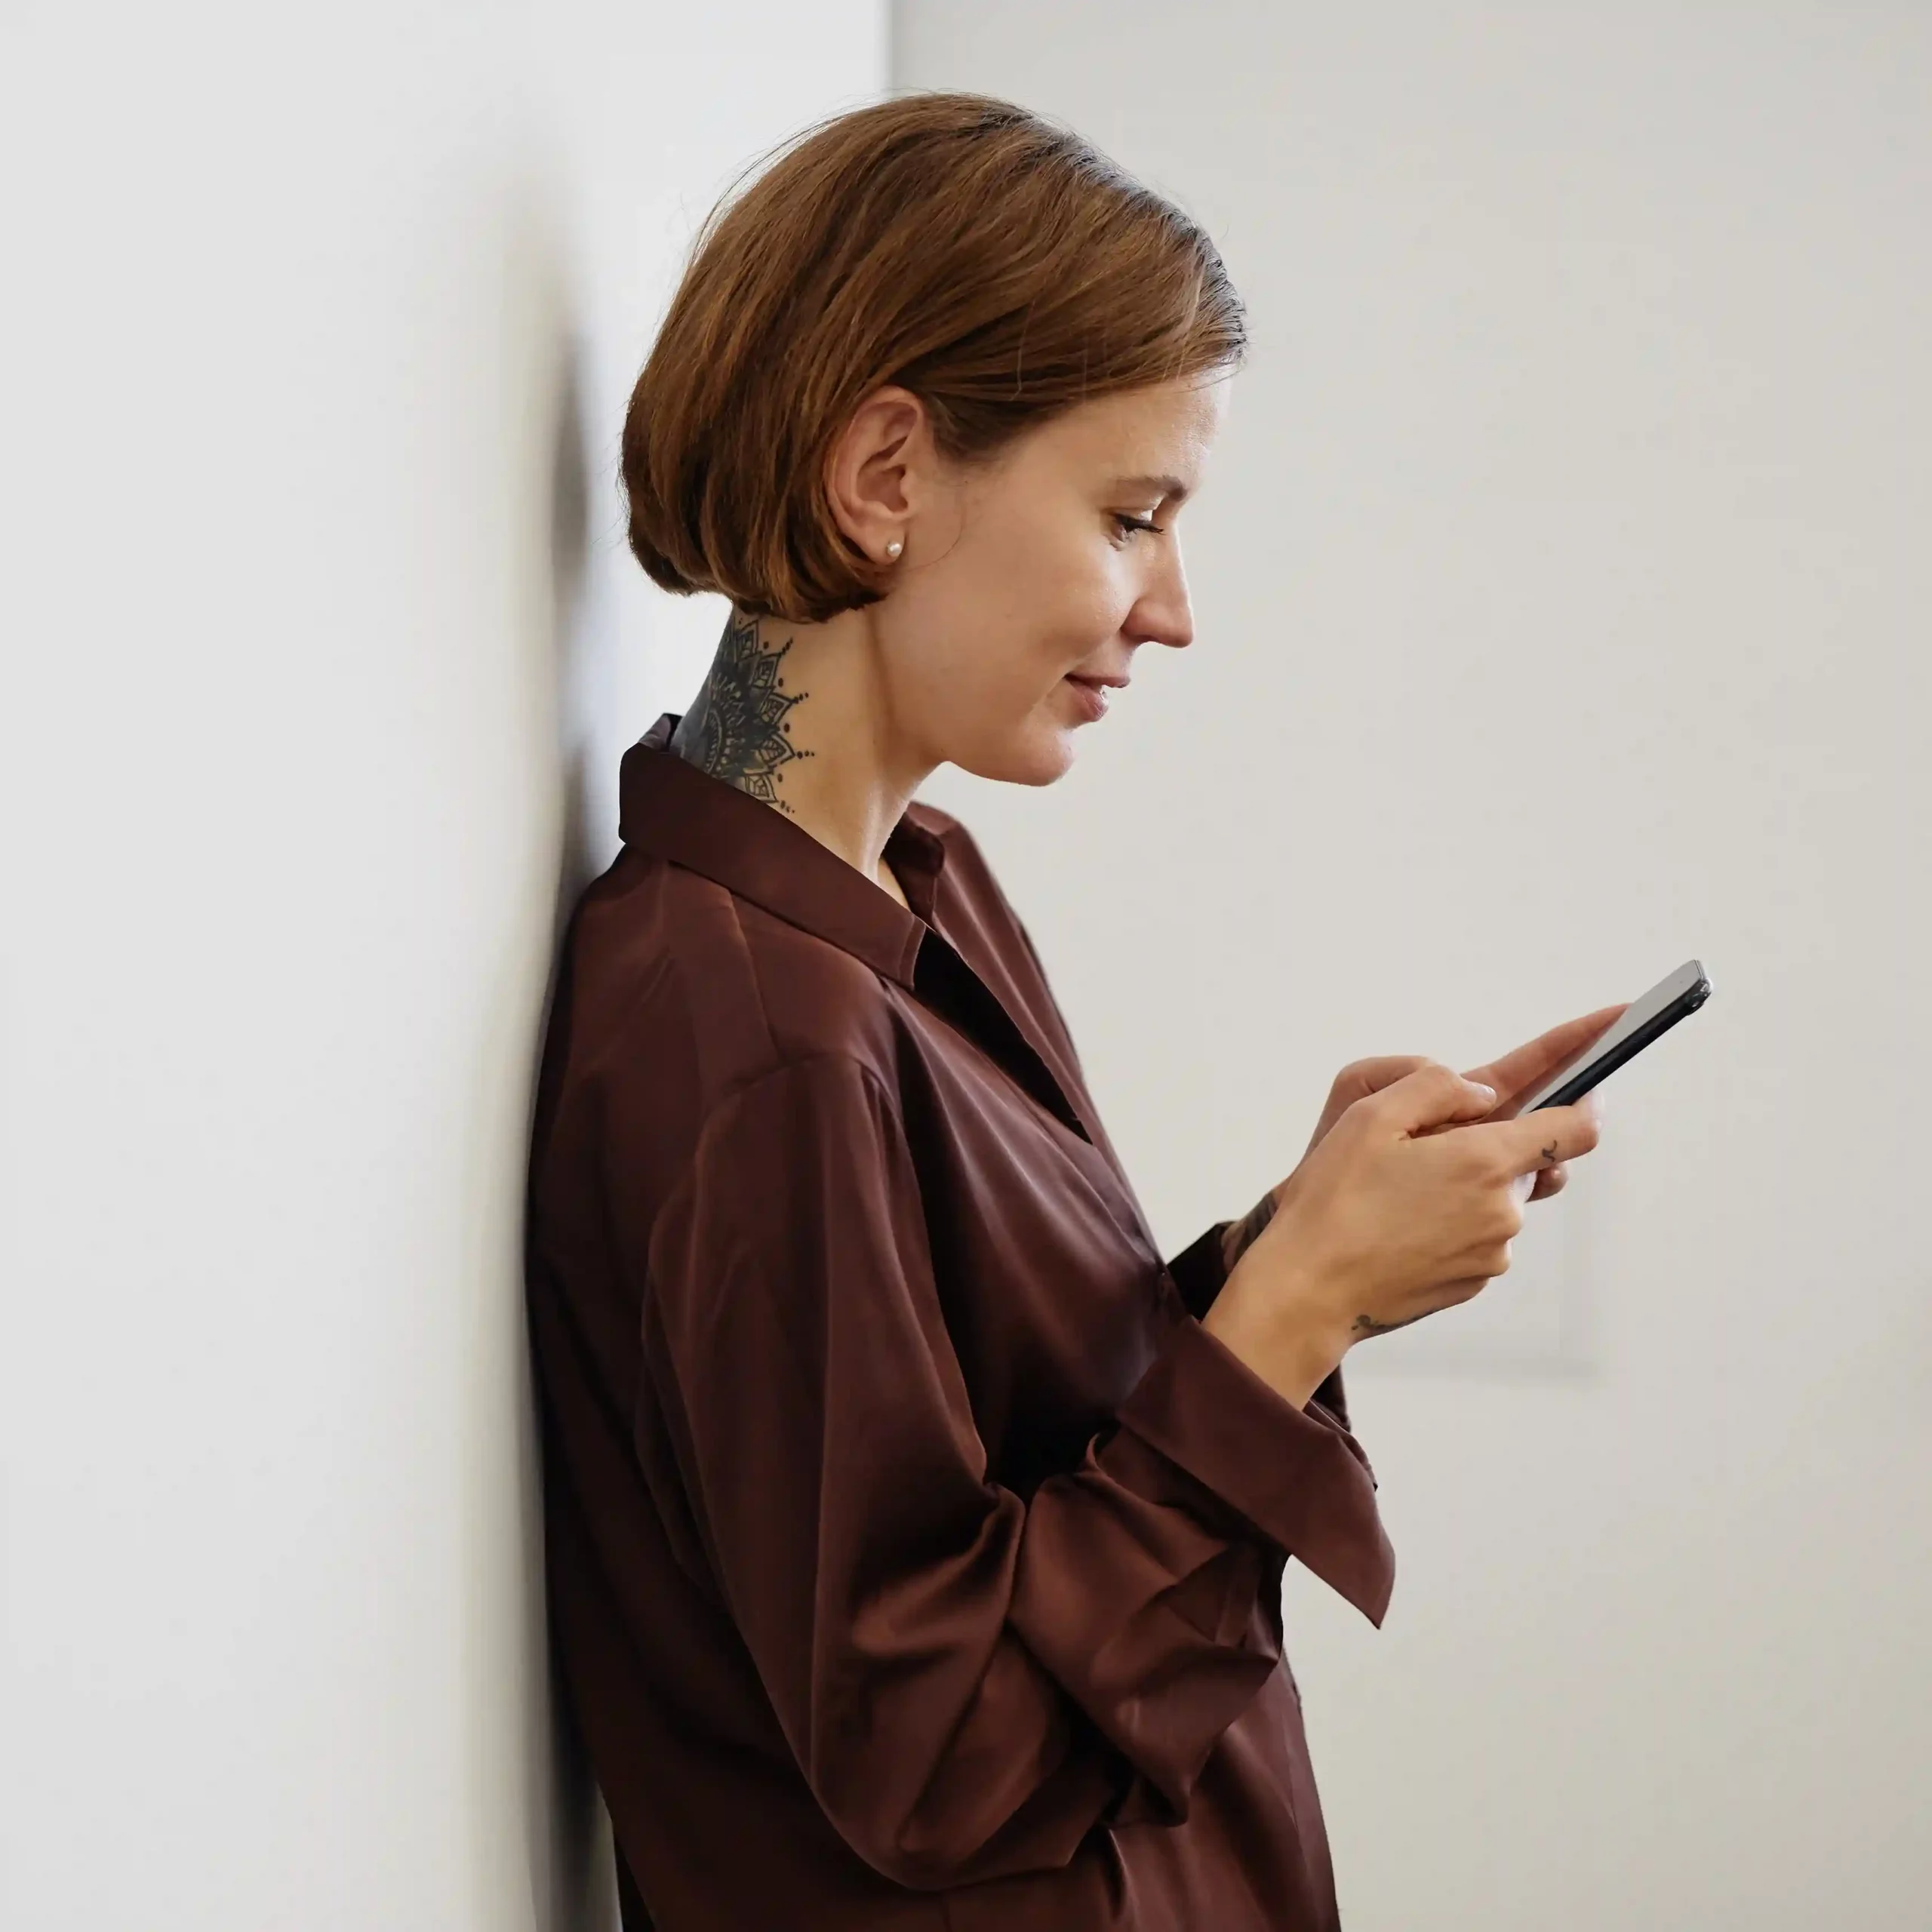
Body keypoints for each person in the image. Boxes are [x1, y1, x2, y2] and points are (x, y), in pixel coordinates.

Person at [523, 91, 1611, 1932]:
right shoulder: (745, 1035)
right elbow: (940, 1749)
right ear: (882, 477)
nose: (1170, 607)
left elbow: (1012, 1449)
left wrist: (1301, 1231)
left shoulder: (913, 892)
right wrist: (1295, 1303)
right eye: (1130, 514)